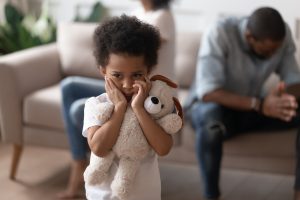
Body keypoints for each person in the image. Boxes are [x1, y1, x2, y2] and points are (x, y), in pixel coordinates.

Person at [58, 0, 175, 198]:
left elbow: (163, 148)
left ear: (148, 70)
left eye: (137, 75)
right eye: (118, 75)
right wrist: (120, 108)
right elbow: (99, 148)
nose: (127, 84)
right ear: (103, 71)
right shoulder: (96, 105)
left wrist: (138, 108)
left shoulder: (153, 107)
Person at [185, 7, 300, 200]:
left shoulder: (283, 35)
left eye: (276, 51)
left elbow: (293, 82)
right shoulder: (219, 32)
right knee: (211, 120)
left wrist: (283, 95)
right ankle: (211, 196)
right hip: (211, 107)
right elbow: (208, 92)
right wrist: (260, 105)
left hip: (250, 109)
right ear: (249, 37)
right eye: (267, 51)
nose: (273, 56)